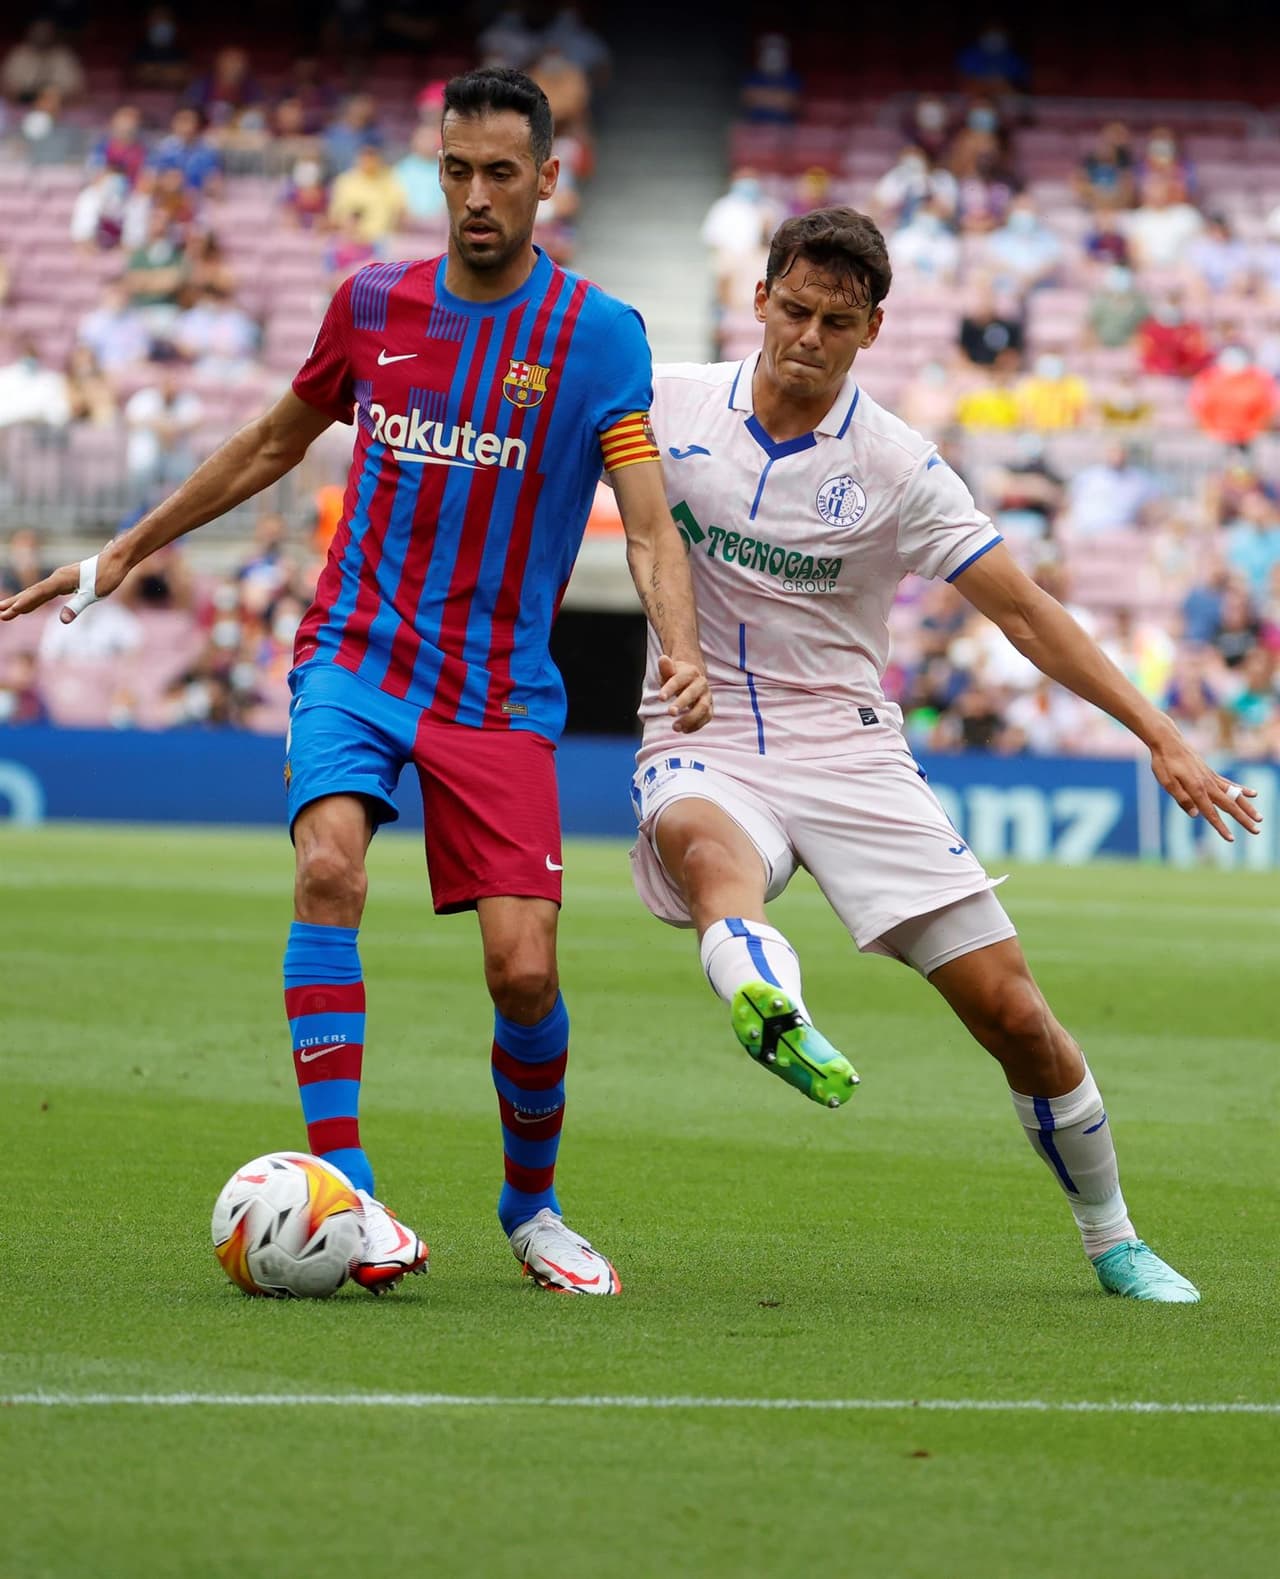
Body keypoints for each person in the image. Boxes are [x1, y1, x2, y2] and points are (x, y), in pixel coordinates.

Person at [1, 68, 711, 1298]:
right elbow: (272, 442)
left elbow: (646, 523)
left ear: (548, 179)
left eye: (501, 173)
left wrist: (679, 646)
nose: (476, 196)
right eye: (456, 170)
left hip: (496, 690)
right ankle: (348, 1189)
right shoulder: (372, 303)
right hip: (356, 652)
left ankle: (531, 1207)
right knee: (327, 867)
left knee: (523, 972)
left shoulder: (599, 336)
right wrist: (120, 554)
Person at [630, 207, 1261, 1303]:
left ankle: (1113, 1239)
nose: (808, 337)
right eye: (793, 310)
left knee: (1015, 1014)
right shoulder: (663, 404)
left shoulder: (895, 465)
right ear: (759, 300)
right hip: (702, 728)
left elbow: (1024, 612)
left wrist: (1160, 734)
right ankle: (771, 1005)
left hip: (848, 751)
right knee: (708, 854)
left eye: (836, 322)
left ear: (873, 329)